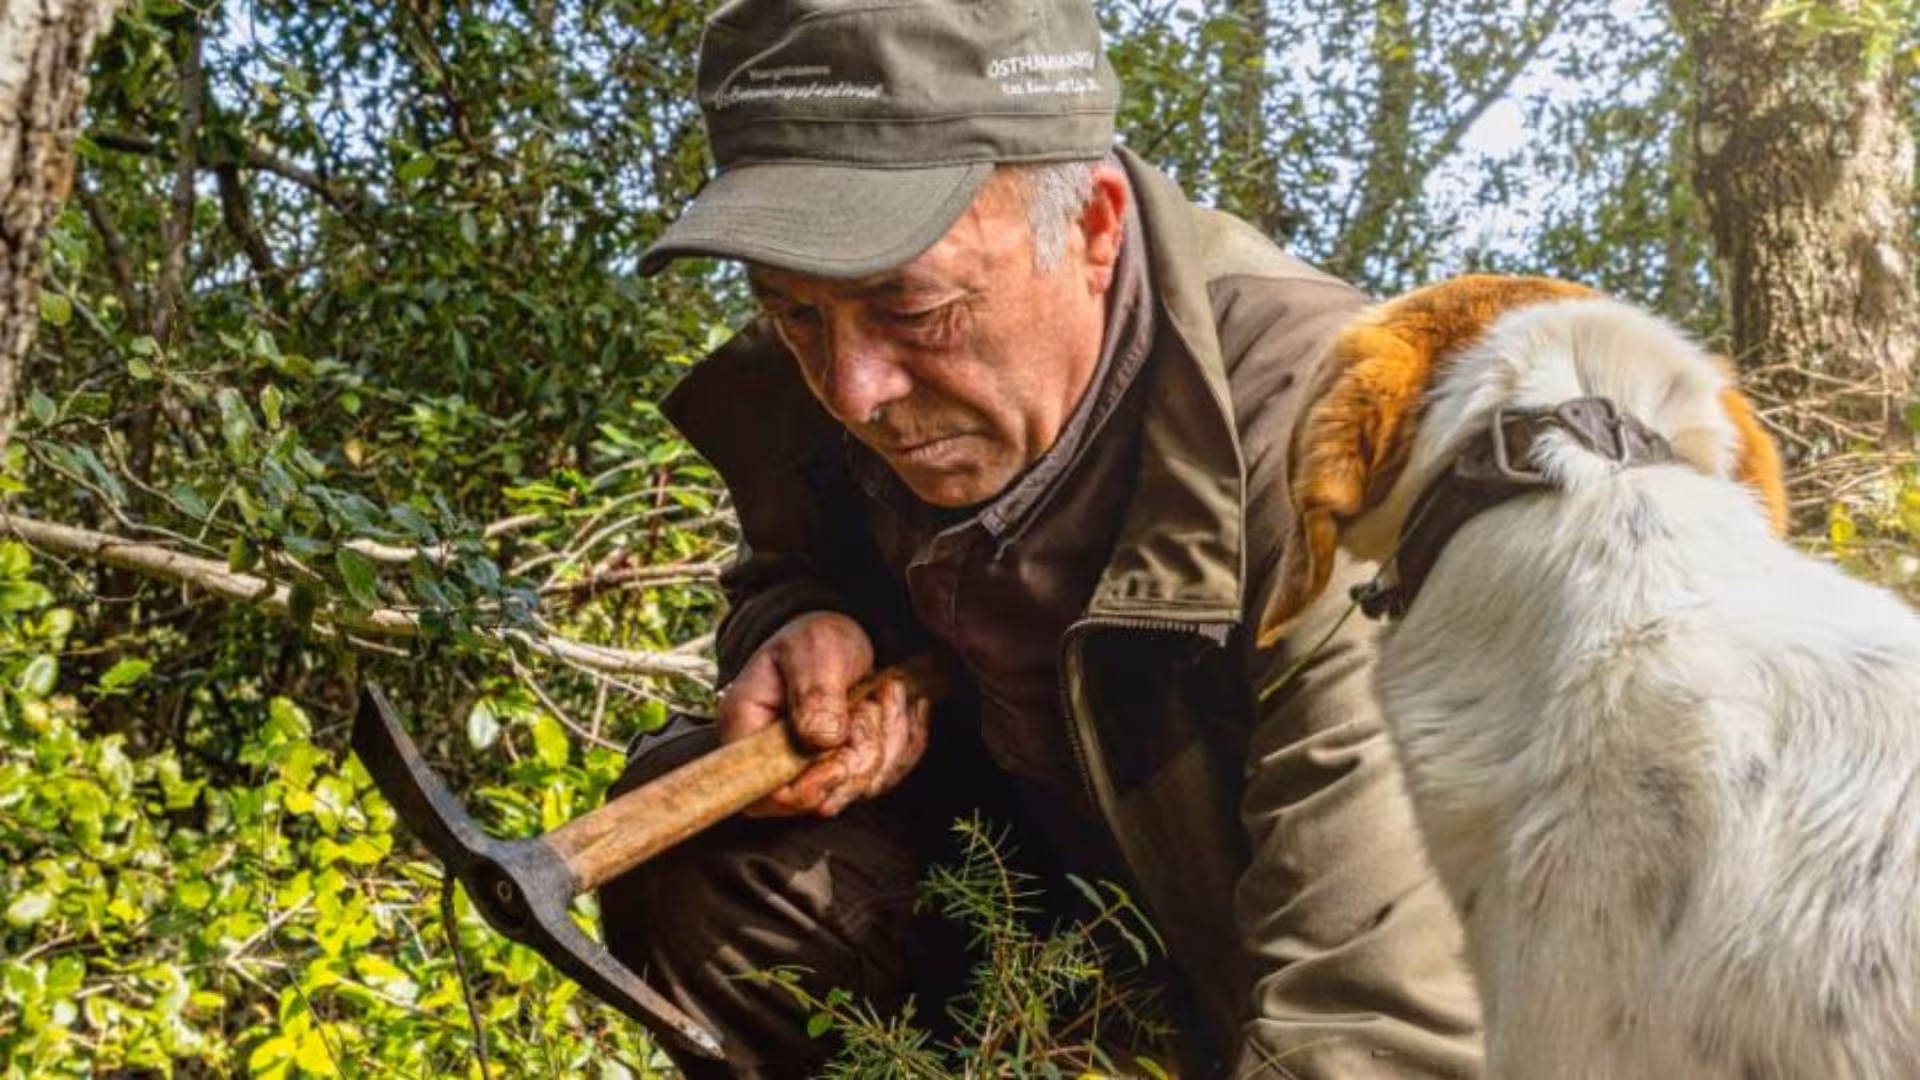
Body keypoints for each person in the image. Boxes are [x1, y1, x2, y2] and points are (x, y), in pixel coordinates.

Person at [599, 0, 1483, 1075]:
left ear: (1095, 228)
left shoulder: (1340, 455)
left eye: (916, 312)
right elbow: (794, 557)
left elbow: (1382, 1024)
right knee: (712, 860)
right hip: (1073, 947)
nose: (853, 391)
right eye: (792, 314)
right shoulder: (849, 350)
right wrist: (801, 619)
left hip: (1341, 986)